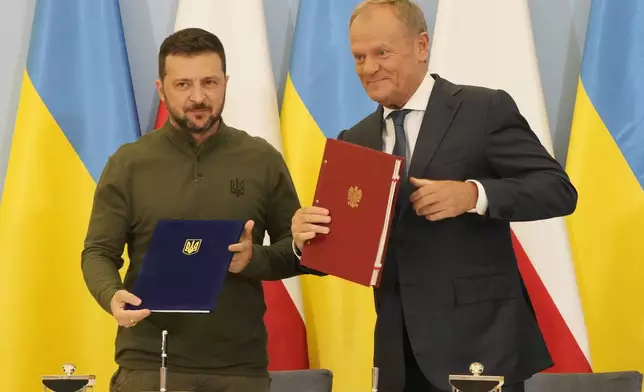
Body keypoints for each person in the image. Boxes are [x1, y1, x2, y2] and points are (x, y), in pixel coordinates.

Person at [290, 1, 578, 391]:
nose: (368, 68)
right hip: (398, 354)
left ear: (421, 46)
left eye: (382, 53)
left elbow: (558, 190)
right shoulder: (354, 142)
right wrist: (305, 239)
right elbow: (341, 252)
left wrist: (474, 194)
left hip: (479, 343)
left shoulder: (483, 109)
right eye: (359, 56)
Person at [82, 27, 317, 392]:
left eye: (209, 82)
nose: (198, 97)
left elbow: (303, 252)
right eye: (183, 85)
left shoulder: (261, 159)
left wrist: (253, 259)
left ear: (225, 82)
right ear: (161, 89)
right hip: (147, 364)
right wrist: (110, 293)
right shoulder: (128, 164)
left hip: (241, 368)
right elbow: (98, 252)